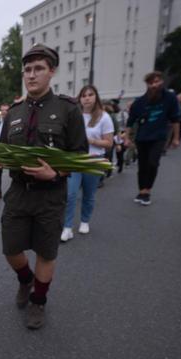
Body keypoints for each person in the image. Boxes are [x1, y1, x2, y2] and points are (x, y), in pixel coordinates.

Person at [0, 43, 88, 329]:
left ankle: (39, 300)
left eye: (38, 69)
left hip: (51, 194)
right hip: (18, 194)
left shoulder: (67, 109)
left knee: (46, 252)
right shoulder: (13, 112)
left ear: (52, 71)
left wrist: (55, 174)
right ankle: (26, 280)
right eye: (27, 69)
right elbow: (2, 150)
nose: (31, 75)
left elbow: (80, 156)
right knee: (11, 249)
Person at [61, 85, 114, 242]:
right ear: (80, 98)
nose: (87, 98)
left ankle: (85, 221)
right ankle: (67, 227)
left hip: (94, 160)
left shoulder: (104, 117)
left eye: (90, 95)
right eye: (84, 95)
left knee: (89, 195)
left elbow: (109, 143)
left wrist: (90, 141)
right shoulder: (74, 115)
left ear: (96, 97)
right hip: (75, 160)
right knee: (70, 194)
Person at [124, 71, 181, 206]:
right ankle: (141, 190)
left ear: (161, 81)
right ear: (147, 84)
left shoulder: (170, 98)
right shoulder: (140, 102)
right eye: (151, 83)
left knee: (153, 163)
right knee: (142, 165)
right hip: (142, 137)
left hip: (159, 136)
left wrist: (176, 138)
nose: (154, 85)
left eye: (157, 81)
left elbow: (175, 119)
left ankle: (147, 191)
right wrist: (126, 138)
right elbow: (130, 122)